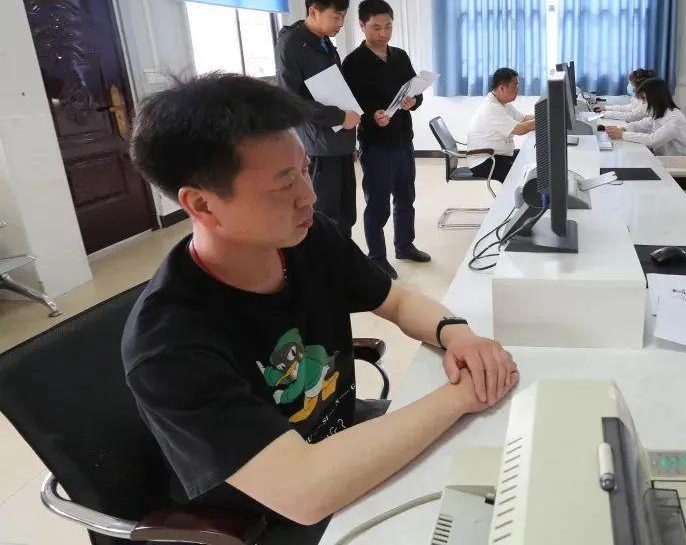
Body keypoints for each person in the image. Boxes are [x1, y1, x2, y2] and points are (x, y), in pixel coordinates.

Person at [124, 74, 518, 545]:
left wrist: (458, 335)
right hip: (269, 517)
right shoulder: (169, 344)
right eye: (283, 184)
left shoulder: (308, 238)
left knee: (503, 462)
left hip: (343, 442)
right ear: (202, 205)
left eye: (305, 170)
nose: (308, 196)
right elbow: (304, 491)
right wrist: (460, 396)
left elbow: (395, 299)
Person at [343, 0, 429, 280]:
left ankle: (404, 245)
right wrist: (371, 117)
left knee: (406, 196)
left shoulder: (400, 56)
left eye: (388, 26)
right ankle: (377, 257)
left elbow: (416, 92)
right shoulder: (353, 63)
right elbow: (349, 106)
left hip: (403, 138)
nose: (383, 33)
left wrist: (413, 102)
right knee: (378, 202)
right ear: (362, 25)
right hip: (376, 143)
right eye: (376, 27)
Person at [275, 0, 360, 238]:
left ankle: (344, 258)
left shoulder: (323, 42)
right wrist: (339, 116)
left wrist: (349, 128)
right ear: (314, 11)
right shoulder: (291, 44)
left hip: (341, 141)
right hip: (319, 147)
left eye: (343, 16)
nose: (341, 23)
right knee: (325, 216)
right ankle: (328, 262)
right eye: (336, 16)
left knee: (346, 213)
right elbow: (290, 100)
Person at [466, 67, 535, 182]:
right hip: (485, 161)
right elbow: (519, 129)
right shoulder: (491, 107)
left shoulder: (502, 103)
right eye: (514, 86)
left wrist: (544, 115)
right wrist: (544, 119)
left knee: (529, 156)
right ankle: (517, 194)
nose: (517, 90)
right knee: (524, 175)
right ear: (502, 88)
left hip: (499, 155)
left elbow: (523, 119)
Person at [604, 78, 686, 155]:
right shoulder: (660, 113)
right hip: (665, 158)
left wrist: (622, 134)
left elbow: (653, 140)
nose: (642, 103)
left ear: (655, 98)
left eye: (644, 99)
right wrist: (624, 129)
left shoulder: (675, 118)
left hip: (682, 163)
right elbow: (641, 125)